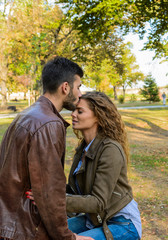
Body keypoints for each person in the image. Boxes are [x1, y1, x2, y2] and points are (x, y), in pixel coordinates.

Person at [0, 57, 92, 240]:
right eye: (78, 86)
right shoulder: (49, 124)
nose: (80, 93)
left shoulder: (28, 114)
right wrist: (68, 238)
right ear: (65, 87)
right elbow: (48, 191)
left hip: (9, 226)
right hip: (26, 229)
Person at [64, 92, 141, 240]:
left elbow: (97, 202)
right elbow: (74, 190)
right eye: (74, 110)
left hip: (123, 223)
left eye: (80, 111)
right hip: (94, 219)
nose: (73, 114)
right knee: (49, 232)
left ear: (98, 116)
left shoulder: (110, 149)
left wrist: (53, 201)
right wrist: (46, 190)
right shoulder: (84, 148)